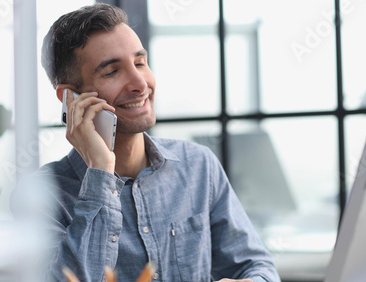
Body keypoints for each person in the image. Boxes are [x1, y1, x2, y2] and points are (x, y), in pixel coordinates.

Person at [37, 3, 279, 281]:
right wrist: (100, 171)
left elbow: (256, 266)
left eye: (140, 62)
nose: (140, 83)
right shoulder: (42, 195)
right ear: (70, 98)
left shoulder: (198, 165)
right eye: (112, 71)